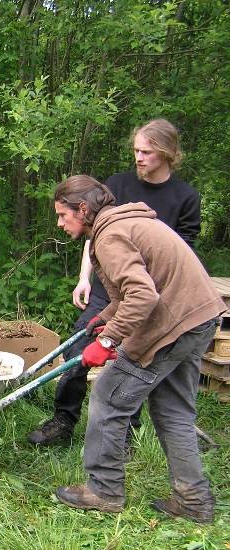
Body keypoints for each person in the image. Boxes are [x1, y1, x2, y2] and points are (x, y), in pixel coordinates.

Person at [51, 175, 223, 523]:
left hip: (172, 323)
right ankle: (194, 500)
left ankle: (104, 490)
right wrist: (106, 316)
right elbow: (138, 286)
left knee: (108, 396)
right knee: (172, 408)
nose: (59, 222)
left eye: (62, 214)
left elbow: (144, 295)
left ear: (82, 209)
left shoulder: (110, 235)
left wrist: (106, 341)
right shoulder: (125, 221)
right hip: (199, 315)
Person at [28, 118, 201, 446]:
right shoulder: (117, 186)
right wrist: (85, 279)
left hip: (151, 295)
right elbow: (95, 238)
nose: (139, 157)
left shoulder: (184, 197)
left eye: (147, 151)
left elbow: (178, 256)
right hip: (112, 289)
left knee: (129, 360)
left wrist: (111, 339)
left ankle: (121, 434)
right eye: (136, 150)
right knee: (81, 342)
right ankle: (63, 420)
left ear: (166, 153)